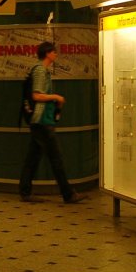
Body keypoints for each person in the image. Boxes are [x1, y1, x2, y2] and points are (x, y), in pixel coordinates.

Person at [19, 42, 87, 204]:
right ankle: (68, 194)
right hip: (41, 120)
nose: (56, 54)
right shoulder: (41, 71)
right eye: (54, 52)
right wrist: (56, 97)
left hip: (42, 120)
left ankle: (25, 190)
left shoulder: (43, 71)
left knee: (33, 157)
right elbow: (37, 96)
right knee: (56, 158)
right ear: (47, 53)